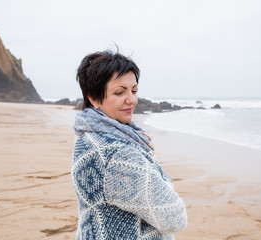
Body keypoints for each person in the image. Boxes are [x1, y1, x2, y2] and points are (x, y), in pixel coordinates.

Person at [72, 50, 187, 240]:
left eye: (134, 90)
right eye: (119, 92)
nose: (131, 100)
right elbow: (174, 218)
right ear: (93, 98)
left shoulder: (88, 135)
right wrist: (145, 153)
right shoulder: (118, 155)